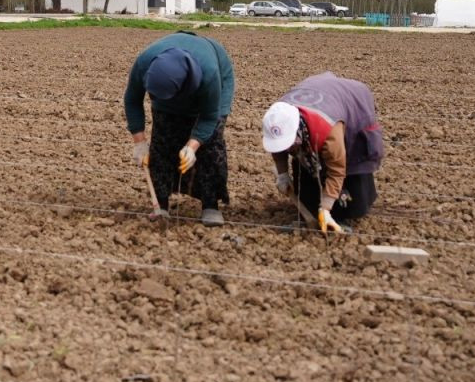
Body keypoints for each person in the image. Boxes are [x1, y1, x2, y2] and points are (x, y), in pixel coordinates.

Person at [123, 30, 235, 225]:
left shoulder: (209, 73)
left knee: (210, 141)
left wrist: (192, 146)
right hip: (168, 90)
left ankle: (210, 204)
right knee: (163, 137)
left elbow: (209, 116)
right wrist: (140, 143)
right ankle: (161, 203)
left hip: (215, 83)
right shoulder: (144, 63)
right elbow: (132, 100)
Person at [261, 71, 384, 232]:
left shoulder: (329, 130)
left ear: (298, 132)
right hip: (318, 97)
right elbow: (278, 147)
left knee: (354, 202)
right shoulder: (277, 117)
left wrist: (325, 208)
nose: (287, 148)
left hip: (351, 102)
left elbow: (337, 170)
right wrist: (283, 173)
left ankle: (343, 213)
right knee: (308, 198)